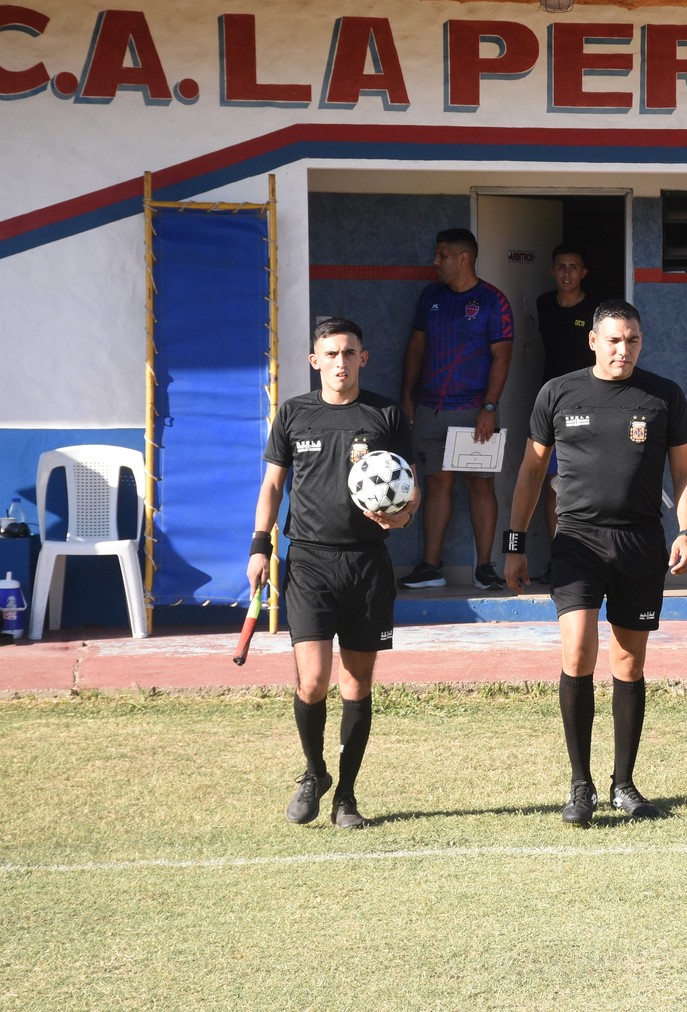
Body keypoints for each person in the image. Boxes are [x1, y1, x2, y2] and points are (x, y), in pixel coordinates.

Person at [504, 300, 687, 827]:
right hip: (577, 541)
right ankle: (580, 785)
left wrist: (685, 531)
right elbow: (529, 472)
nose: (624, 349)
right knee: (578, 650)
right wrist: (516, 543)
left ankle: (624, 784)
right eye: (614, 340)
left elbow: (685, 471)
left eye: (632, 340)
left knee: (629, 664)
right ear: (593, 341)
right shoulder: (558, 393)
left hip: (640, 542)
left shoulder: (664, 396)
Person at [249, 317, 419, 830]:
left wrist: (401, 517)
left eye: (350, 353)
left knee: (356, 682)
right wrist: (260, 546)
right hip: (310, 562)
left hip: (368, 563)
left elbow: (412, 489)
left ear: (362, 358)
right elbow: (273, 486)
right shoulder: (294, 414)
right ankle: (313, 772)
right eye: (331, 354)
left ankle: (346, 795)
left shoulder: (386, 414)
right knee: (314, 679)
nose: (341, 363)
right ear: (314, 360)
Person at [398, 228, 514, 591]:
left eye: (442, 255)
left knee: (480, 485)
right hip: (431, 408)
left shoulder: (493, 300)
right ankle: (431, 567)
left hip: (474, 410)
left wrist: (490, 407)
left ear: (463, 258)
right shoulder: (430, 296)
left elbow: (501, 357)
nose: (436, 262)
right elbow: (415, 349)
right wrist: (406, 394)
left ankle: (484, 568)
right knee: (436, 484)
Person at [534, 244, 601, 556]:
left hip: (591, 405)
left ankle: (590, 555)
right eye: (561, 266)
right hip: (553, 407)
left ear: (584, 272)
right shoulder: (544, 303)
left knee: (591, 485)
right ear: (552, 271)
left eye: (573, 266)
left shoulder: (596, 311)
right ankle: (558, 557)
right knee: (554, 487)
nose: (567, 273)